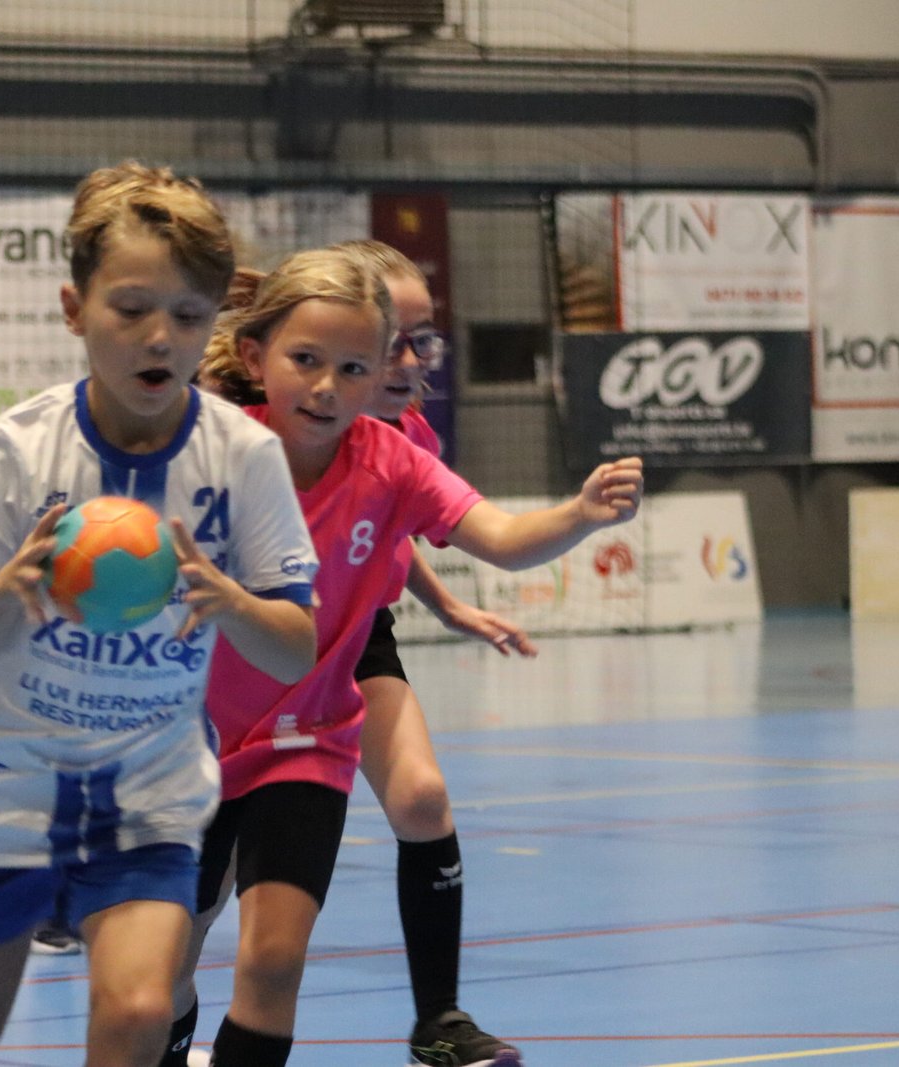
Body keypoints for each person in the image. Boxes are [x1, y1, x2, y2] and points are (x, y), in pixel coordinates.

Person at [0, 161, 319, 1067]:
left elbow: (293, 652)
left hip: (150, 785)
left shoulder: (243, 456)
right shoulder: (14, 450)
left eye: (189, 316)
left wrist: (232, 600)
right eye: (130, 309)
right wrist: (9, 591)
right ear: (73, 309)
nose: (160, 337)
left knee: (139, 1009)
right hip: (2, 778)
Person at [171, 244, 643, 1067]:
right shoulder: (211, 450)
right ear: (256, 358)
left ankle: (440, 1017)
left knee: (273, 959)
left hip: (308, 737)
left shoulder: (395, 458)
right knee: (162, 972)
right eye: (306, 360)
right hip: (195, 741)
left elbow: (499, 535)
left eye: (353, 367)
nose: (327, 385)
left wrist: (577, 514)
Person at [338, 240, 536, 1067]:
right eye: (395, 342)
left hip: (357, 634)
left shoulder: (407, 433)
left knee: (421, 798)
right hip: (257, 645)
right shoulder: (283, 427)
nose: (415, 360)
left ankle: (439, 1021)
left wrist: (446, 602)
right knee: (220, 872)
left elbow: (392, 521)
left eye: (423, 340)